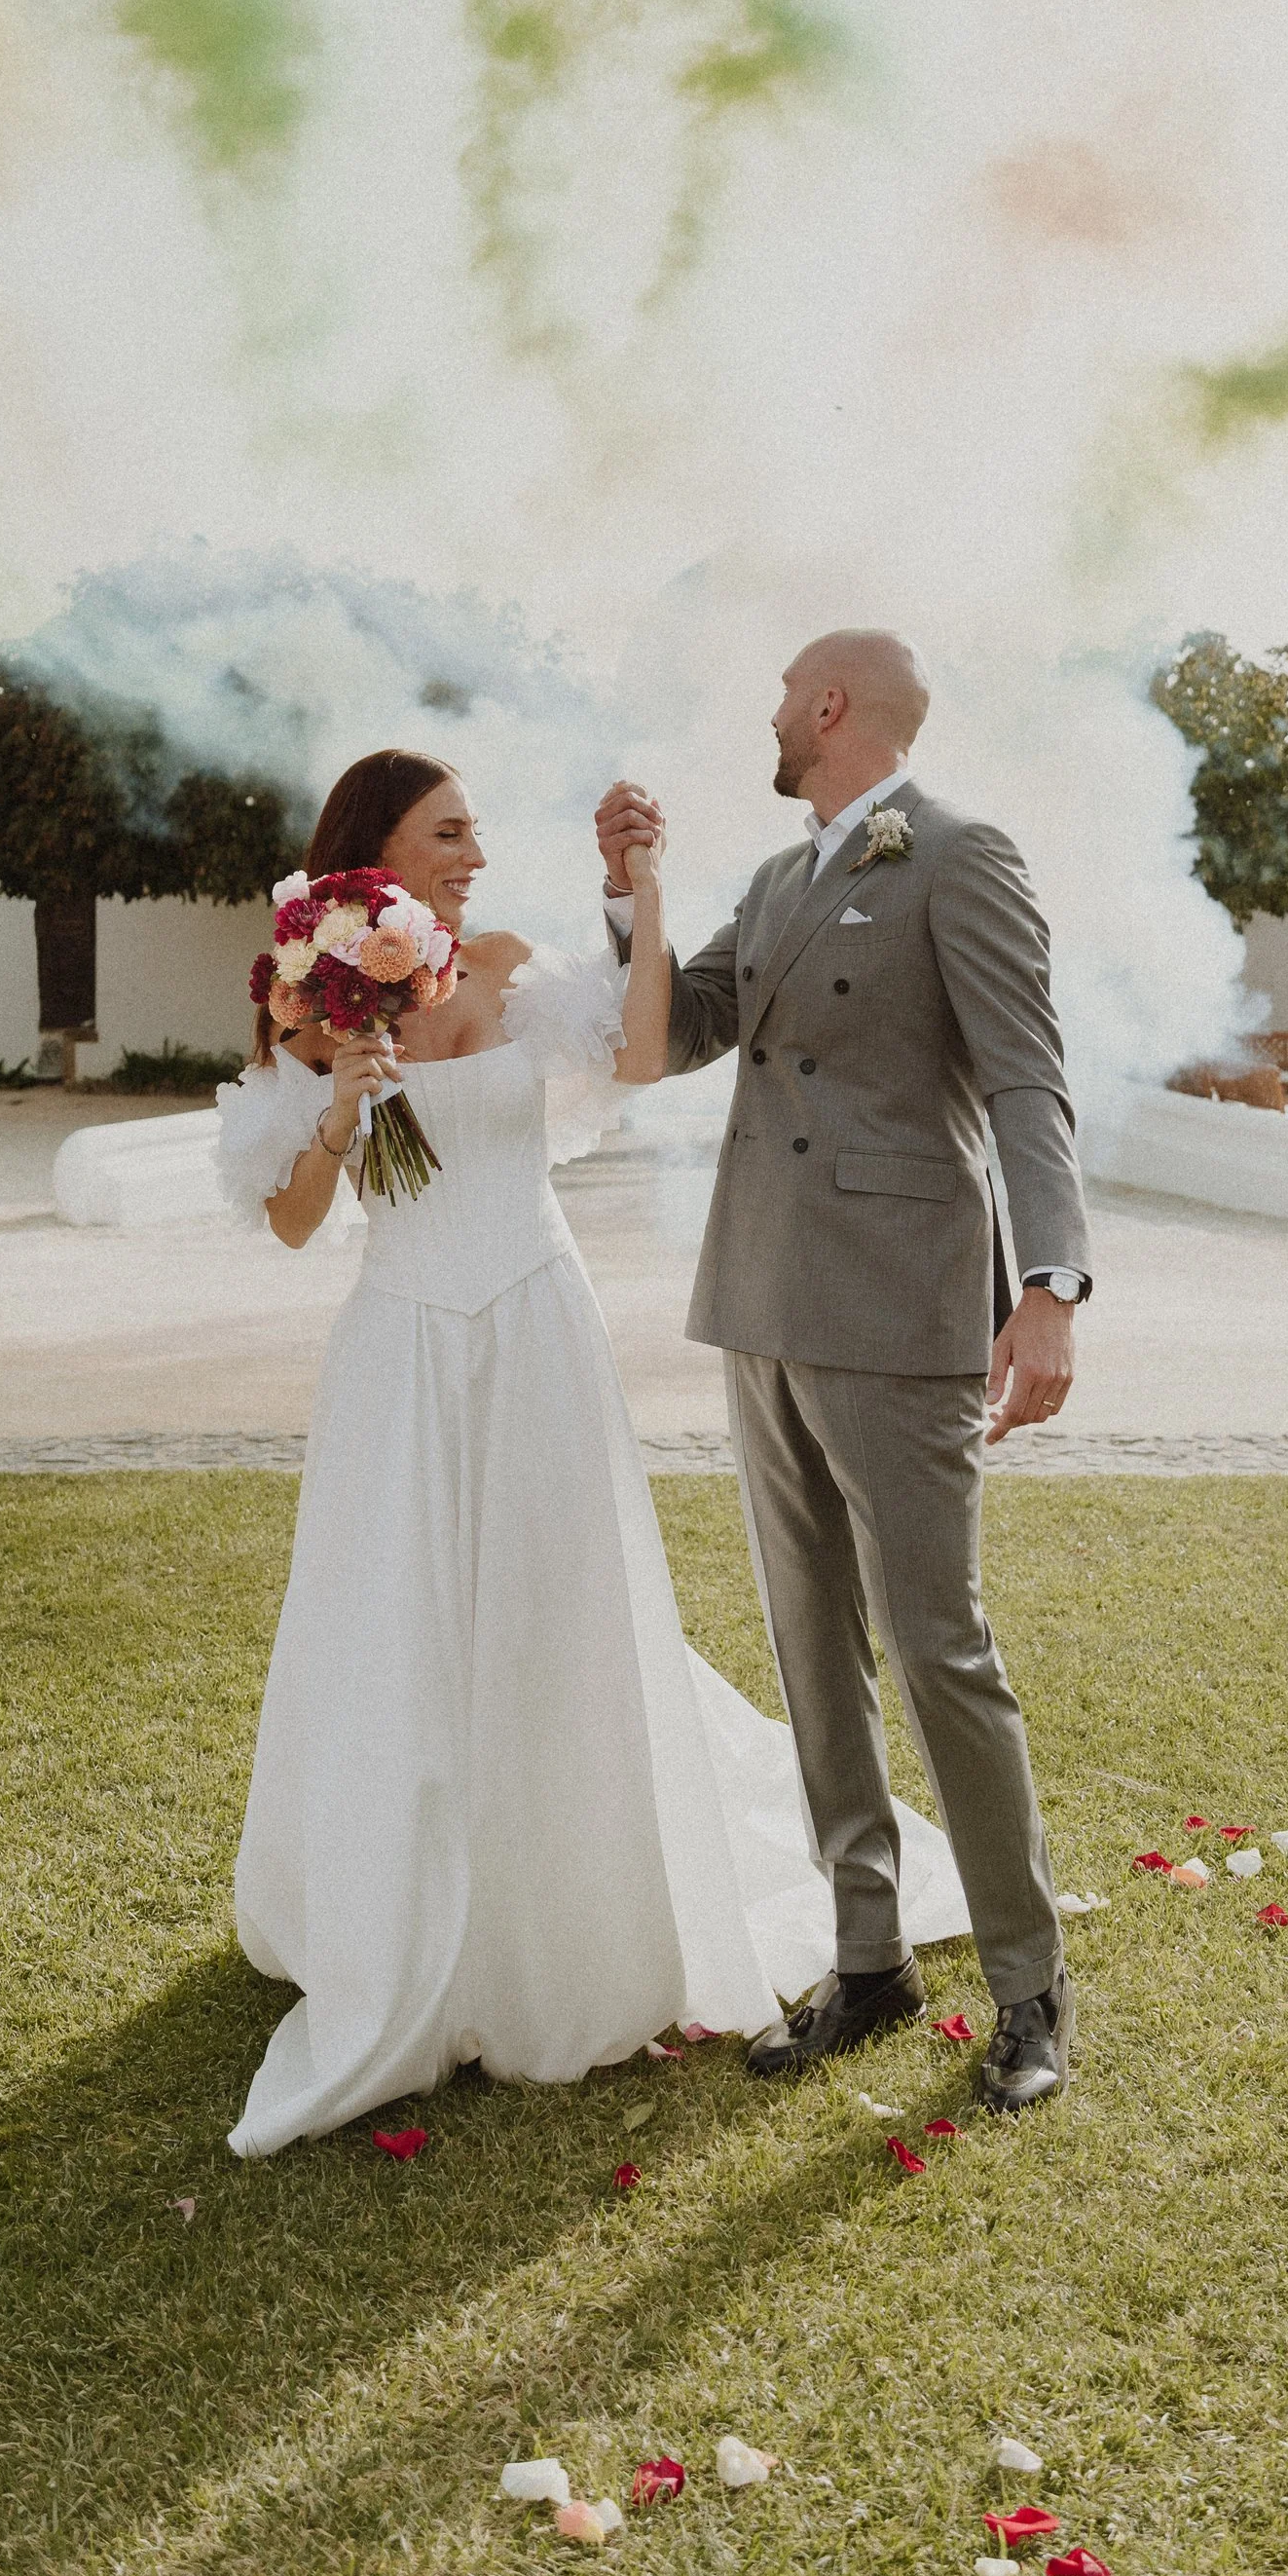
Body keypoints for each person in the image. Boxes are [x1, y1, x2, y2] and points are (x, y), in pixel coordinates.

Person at [213, 745, 965, 2157]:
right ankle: (406, 1912)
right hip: (404, 1352)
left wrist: (644, 892)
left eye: (478, 833)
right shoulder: (307, 1002)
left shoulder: (502, 966)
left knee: (555, 1616)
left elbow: (634, 1048)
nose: (474, 856)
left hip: (533, 1327)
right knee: (404, 1625)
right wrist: (338, 1101)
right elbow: (299, 1220)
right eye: (450, 833)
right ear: (374, 850)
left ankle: (567, 1921)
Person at [595, 630, 1090, 2115]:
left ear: (829, 706)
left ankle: (1029, 1984)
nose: (762, 714)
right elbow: (680, 1031)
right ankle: (868, 1958)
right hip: (761, 1292)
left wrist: (1050, 1284)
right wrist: (636, 903)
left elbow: (1026, 1076)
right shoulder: (772, 879)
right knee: (813, 1647)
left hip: (899, 1304)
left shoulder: (959, 852)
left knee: (938, 1647)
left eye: (778, 695)